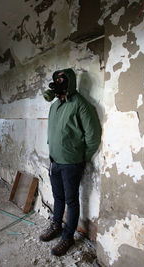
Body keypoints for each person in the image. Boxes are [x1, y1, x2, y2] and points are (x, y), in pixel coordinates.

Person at [40, 68, 102, 256]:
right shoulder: (54, 106)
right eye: (56, 80)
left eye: (62, 79)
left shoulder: (81, 104)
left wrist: (81, 157)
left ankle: (68, 237)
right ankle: (56, 225)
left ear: (70, 81)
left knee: (71, 201)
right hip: (55, 161)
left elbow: (93, 136)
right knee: (58, 197)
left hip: (71, 164)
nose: (58, 83)